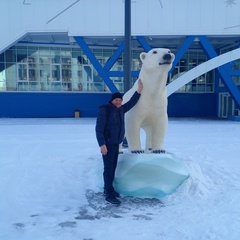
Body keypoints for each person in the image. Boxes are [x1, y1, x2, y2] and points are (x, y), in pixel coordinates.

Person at [95, 79, 143, 204]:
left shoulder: (121, 109)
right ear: (112, 100)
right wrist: (102, 144)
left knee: (113, 168)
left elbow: (131, 103)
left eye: (120, 100)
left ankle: (110, 189)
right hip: (108, 145)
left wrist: (139, 91)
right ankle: (108, 193)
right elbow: (99, 128)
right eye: (116, 100)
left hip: (116, 144)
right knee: (108, 168)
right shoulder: (105, 109)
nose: (118, 102)